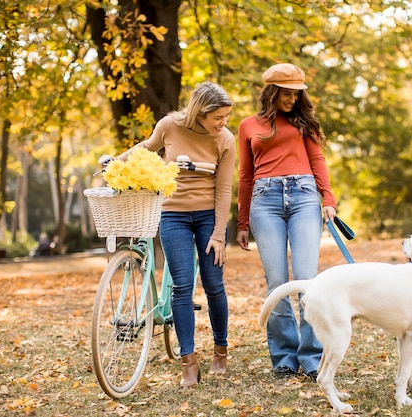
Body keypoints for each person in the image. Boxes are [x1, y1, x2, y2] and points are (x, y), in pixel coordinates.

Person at [116, 81, 235, 387]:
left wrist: (219, 234)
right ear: (200, 112)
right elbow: (147, 147)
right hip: (173, 216)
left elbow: (223, 191)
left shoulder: (225, 140)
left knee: (213, 284)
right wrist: (115, 162)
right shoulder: (170, 125)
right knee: (181, 287)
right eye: (218, 117)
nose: (223, 123)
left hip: (210, 216)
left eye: (225, 117)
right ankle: (189, 360)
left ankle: (220, 350)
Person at [236, 63, 337, 381]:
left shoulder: (303, 122)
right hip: (264, 202)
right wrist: (241, 221)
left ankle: (311, 356)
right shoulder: (247, 125)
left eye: (297, 93)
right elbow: (245, 174)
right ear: (271, 93)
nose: (292, 99)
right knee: (277, 283)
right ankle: (283, 356)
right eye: (287, 93)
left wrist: (328, 199)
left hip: (304, 196)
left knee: (307, 279)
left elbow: (317, 159)